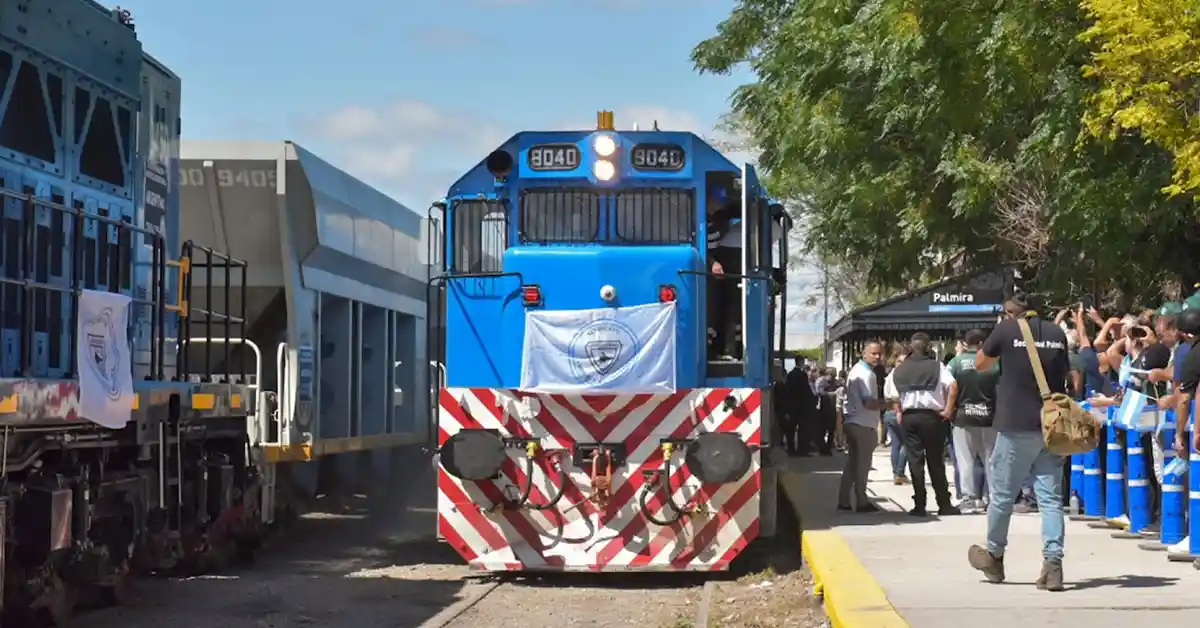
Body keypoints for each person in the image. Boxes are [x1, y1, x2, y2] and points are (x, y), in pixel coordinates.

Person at [968, 293, 1070, 591]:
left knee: (1002, 495)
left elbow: (980, 363)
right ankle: (1053, 565)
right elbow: (1064, 374)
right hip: (1051, 426)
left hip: (1015, 425)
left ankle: (995, 557)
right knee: (1050, 500)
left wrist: (1004, 339)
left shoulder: (1007, 329)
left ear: (1010, 312)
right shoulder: (1056, 332)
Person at [885, 332, 960, 517]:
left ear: (911, 348)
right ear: (928, 347)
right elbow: (953, 386)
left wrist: (900, 411)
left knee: (915, 461)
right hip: (932, 417)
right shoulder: (937, 366)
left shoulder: (899, 369)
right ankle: (944, 503)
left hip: (910, 417)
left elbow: (892, 395)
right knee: (936, 461)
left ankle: (919, 504)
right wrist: (948, 410)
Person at [947, 329, 998, 514]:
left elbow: (948, 386)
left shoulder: (956, 363)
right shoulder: (993, 363)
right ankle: (993, 498)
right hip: (990, 417)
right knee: (991, 460)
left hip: (963, 417)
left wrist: (948, 410)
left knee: (965, 460)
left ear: (966, 343)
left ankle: (968, 499)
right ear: (983, 343)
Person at [837, 341, 887, 512]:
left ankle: (844, 500)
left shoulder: (855, 371)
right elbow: (868, 402)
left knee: (852, 463)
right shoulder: (867, 375)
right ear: (863, 354)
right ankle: (862, 500)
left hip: (852, 420)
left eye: (879, 353)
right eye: (873, 353)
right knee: (863, 465)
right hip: (863, 423)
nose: (877, 357)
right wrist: (888, 403)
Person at [705, 186, 741, 362]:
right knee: (711, 306)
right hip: (706, 270)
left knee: (721, 305)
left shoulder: (722, 219)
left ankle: (720, 348)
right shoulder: (695, 221)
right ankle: (709, 348)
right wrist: (712, 263)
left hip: (718, 271)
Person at [884, 350, 910, 485]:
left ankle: (897, 473)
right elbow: (895, 397)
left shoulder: (889, 376)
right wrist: (899, 411)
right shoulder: (899, 376)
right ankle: (899, 473)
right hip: (898, 411)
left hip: (889, 413)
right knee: (906, 443)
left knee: (896, 444)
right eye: (900, 361)